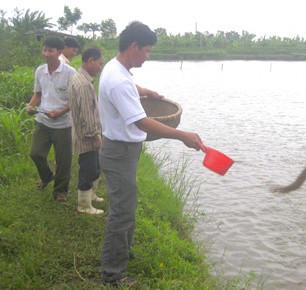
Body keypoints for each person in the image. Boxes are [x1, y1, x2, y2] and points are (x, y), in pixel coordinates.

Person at [98, 21, 204, 286]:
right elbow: (142, 122)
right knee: (122, 212)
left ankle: (124, 252)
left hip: (122, 150)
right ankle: (113, 273)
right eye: (146, 51)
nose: (148, 56)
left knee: (127, 207)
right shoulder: (118, 79)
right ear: (133, 47)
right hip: (119, 152)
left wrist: (145, 91)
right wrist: (183, 136)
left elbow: (128, 90)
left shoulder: (115, 69)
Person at [27, 36, 76, 202]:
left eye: (50, 50)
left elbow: (75, 100)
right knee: (35, 153)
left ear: (59, 52)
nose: (46, 53)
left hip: (63, 124)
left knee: (64, 160)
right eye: (45, 49)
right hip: (43, 121)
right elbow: (38, 94)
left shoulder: (70, 73)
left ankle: (60, 191)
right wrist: (31, 105)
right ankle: (47, 176)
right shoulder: (40, 71)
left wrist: (61, 112)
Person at [68, 48, 105, 215]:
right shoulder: (83, 84)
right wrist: (95, 136)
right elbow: (87, 115)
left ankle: (91, 196)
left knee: (95, 166)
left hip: (85, 134)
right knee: (87, 170)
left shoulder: (81, 77)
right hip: (86, 137)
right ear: (90, 60)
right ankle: (84, 205)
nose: (100, 67)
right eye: (99, 63)